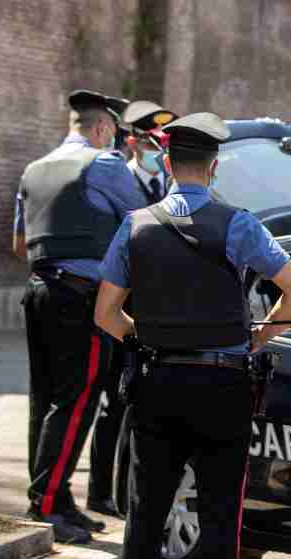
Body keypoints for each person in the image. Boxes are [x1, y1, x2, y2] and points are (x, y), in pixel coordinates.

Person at [95, 112, 291, 559]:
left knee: (147, 510)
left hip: (158, 380)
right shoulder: (238, 225)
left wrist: (145, 337)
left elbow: (105, 313)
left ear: (166, 164)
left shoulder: (135, 225)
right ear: (213, 168)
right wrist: (258, 338)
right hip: (223, 384)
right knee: (221, 510)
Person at [13, 89, 144, 543]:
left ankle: (54, 496)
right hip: (81, 297)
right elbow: (142, 224)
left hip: (37, 291)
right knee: (75, 401)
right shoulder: (104, 164)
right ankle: (46, 504)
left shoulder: (33, 170)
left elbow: (19, 244)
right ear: (104, 129)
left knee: (44, 400)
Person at [86, 100, 181, 518]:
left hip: (154, 312)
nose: (158, 151)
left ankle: (132, 491)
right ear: (132, 141)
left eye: (163, 144)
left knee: (141, 403)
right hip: (120, 309)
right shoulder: (117, 181)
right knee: (111, 401)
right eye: (150, 142)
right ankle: (98, 491)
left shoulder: (166, 186)